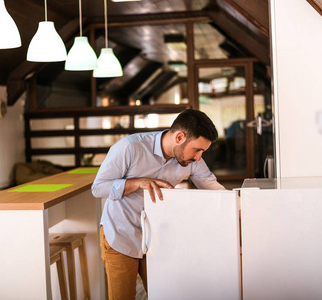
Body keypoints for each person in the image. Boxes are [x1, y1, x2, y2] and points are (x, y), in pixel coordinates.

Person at [91, 109, 225, 300]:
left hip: (158, 239)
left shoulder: (192, 161)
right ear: (179, 137)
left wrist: (238, 206)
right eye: (197, 149)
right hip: (120, 234)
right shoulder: (130, 147)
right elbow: (98, 189)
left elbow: (212, 186)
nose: (198, 157)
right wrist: (136, 182)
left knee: (165, 294)